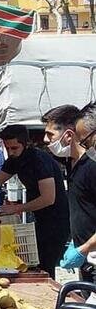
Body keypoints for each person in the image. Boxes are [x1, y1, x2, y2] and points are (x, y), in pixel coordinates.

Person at [0, 124, 70, 277]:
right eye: (7, 148)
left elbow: (48, 198)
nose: (10, 152)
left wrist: (17, 208)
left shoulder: (39, 160)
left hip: (56, 221)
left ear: (25, 144)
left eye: (14, 148)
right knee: (33, 264)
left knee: (45, 266)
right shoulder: (13, 159)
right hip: (38, 218)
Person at [49, 104, 96, 280]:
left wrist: (84, 248)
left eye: (87, 142)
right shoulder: (71, 164)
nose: (47, 141)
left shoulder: (92, 167)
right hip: (87, 259)